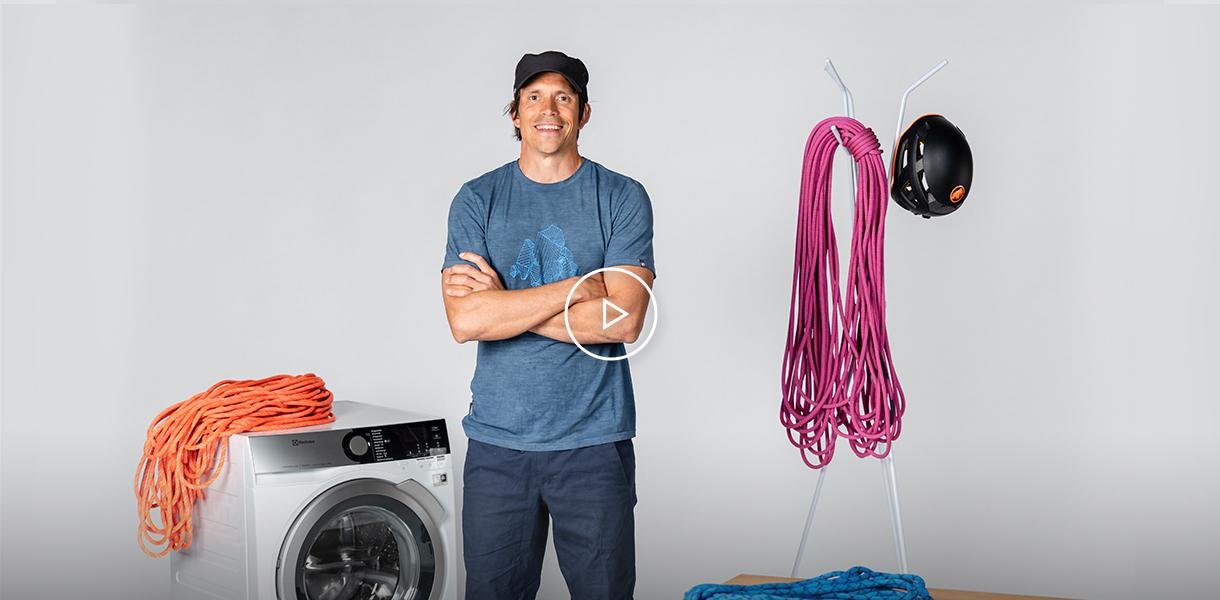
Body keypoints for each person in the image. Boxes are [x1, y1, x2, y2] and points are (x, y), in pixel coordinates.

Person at [439, 50, 655, 600]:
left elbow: (623, 320)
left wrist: (504, 306)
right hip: (498, 446)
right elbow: (466, 320)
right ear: (515, 113)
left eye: (563, 97)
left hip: (594, 443)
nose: (548, 110)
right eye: (533, 97)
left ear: (584, 113)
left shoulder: (621, 197)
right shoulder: (477, 199)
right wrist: (578, 289)